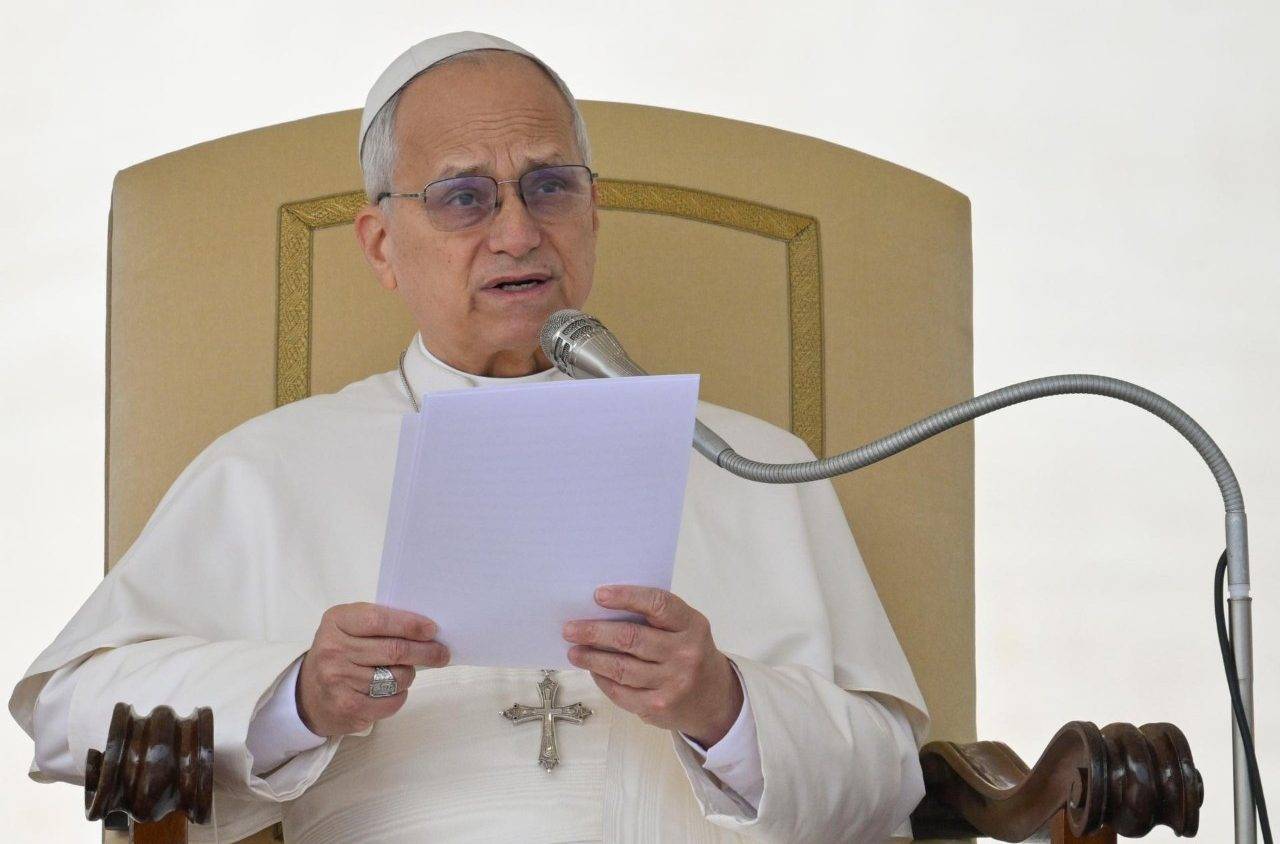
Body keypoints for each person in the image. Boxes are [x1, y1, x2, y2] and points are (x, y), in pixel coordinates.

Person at [10, 31, 930, 843]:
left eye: (550, 186)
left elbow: (891, 782)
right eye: (463, 198)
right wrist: (295, 695)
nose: (519, 232)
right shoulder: (271, 467)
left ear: (592, 212)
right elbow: (66, 715)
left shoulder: (755, 461)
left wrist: (723, 706)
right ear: (380, 245)